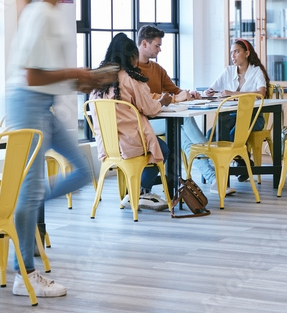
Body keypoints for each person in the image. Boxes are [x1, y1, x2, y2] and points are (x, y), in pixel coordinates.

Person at [6, 0, 117, 298]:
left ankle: (19, 210)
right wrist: (76, 74)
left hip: (44, 105)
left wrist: (82, 82)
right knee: (30, 189)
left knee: (86, 171)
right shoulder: (40, 13)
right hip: (27, 105)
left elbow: (48, 75)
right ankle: (24, 273)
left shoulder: (50, 13)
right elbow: (33, 75)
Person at [90, 33, 174, 211]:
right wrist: (163, 102)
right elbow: (150, 109)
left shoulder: (99, 80)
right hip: (131, 141)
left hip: (108, 143)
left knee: (157, 145)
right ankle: (141, 192)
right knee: (163, 148)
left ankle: (136, 193)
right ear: (131, 56)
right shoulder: (131, 78)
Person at [183, 38, 269, 187]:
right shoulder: (228, 71)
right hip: (231, 116)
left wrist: (232, 93)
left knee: (232, 136)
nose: (233, 56)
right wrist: (209, 92)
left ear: (247, 53)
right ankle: (242, 165)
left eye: (237, 51)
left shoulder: (256, 71)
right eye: (231, 53)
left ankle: (237, 167)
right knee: (211, 136)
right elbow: (213, 88)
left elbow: (261, 93)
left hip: (253, 117)